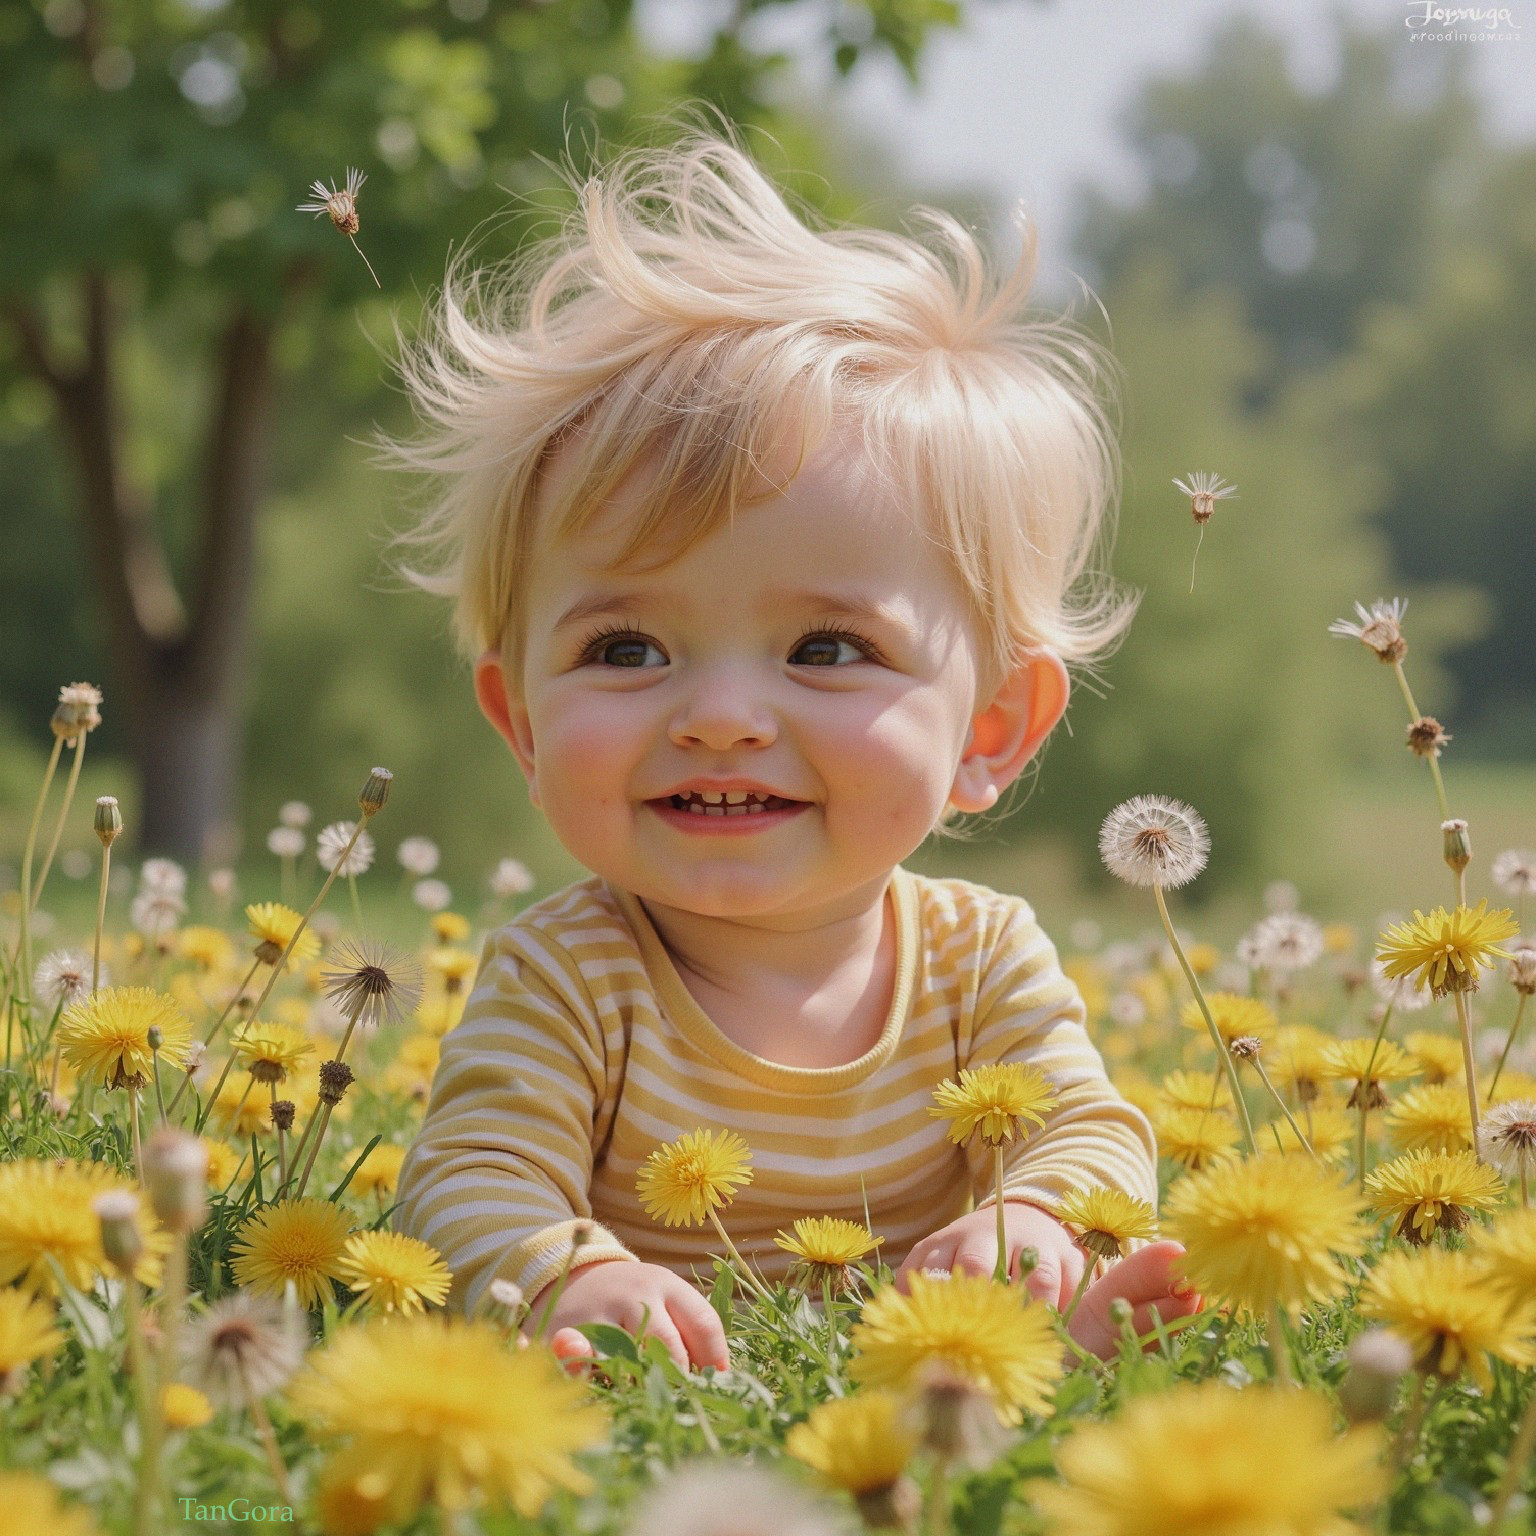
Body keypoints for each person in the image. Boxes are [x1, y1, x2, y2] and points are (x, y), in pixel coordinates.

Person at [387, 116, 1200, 1370]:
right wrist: (568, 1274)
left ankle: (1056, 1324)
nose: (720, 715)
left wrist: (1035, 1215)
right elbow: (468, 1179)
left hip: (920, 1381)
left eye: (825, 650)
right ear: (525, 726)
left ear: (990, 729)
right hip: (666, 1407)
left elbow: (1091, 1132)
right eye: (625, 649)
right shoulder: (567, 980)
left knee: (1097, 1277)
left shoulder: (981, 963)